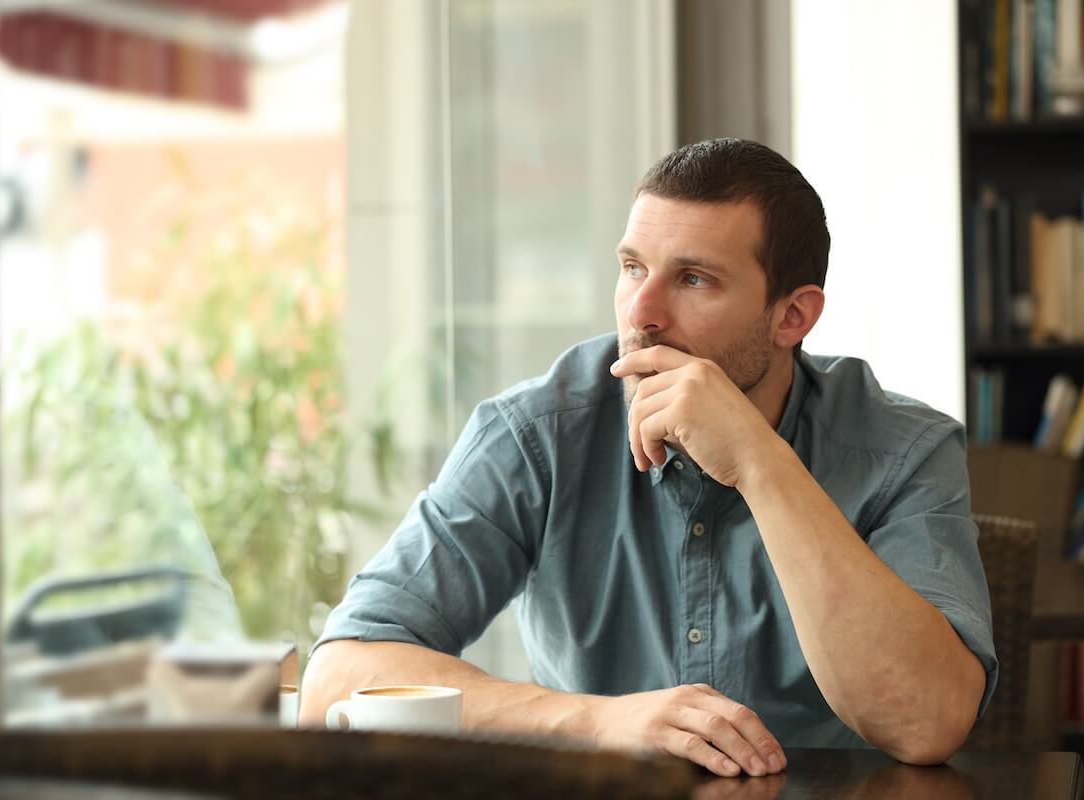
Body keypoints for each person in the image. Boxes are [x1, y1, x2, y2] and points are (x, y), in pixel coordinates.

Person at [300, 139, 996, 778]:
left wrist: (758, 460)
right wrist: (599, 719)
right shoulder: (539, 432)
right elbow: (334, 681)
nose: (641, 313)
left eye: (693, 280)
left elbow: (926, 723)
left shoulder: (904, 448)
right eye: (632, 267)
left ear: (792, 317)